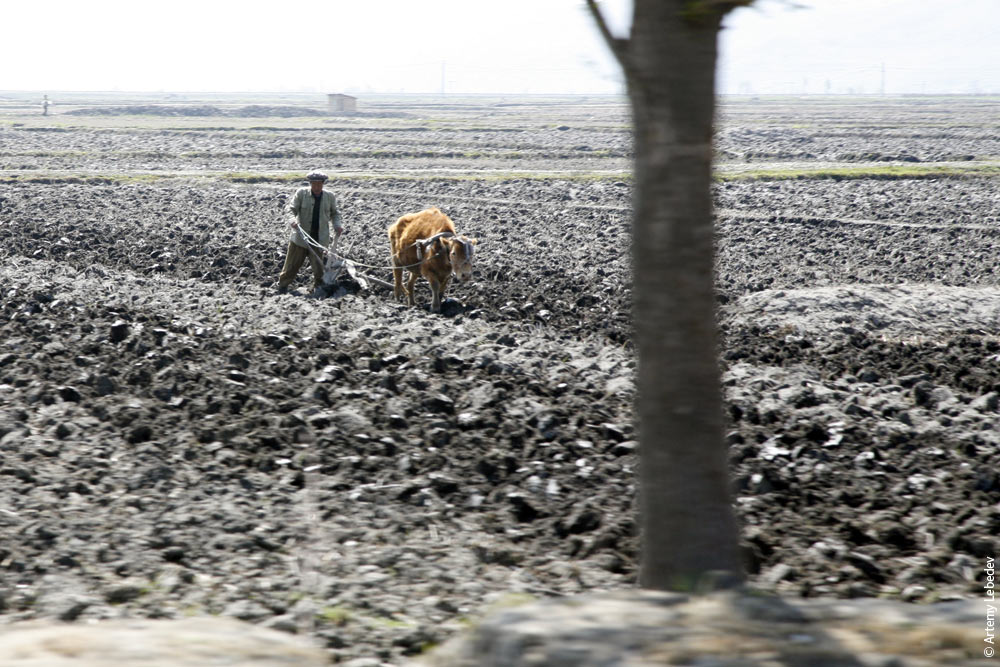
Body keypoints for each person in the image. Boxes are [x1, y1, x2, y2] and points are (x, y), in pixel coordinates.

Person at [277, 170, 343, 292]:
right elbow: (290, 209)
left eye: (319, 184)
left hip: (319, 240)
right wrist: (292, 220)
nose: (317, 187)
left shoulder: (329, 197)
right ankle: (282, 287)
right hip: (300, 239)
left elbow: (335, 213)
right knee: (291, 267)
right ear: (310, 183)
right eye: (314, 184)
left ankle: (319, 290)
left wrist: (337, 225)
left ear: (323, 184)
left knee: (319, 270)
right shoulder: (301, 194)